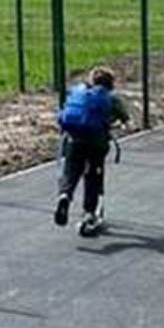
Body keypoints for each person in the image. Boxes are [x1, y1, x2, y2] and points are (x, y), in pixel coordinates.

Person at [55, 66, 130, 235]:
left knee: (71, 171)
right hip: (97, 142)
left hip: (74, 139)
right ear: (111, 83)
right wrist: (116, 124)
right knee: (93, 176)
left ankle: (65, 195)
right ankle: (89, 213)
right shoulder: (110, 98)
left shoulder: (78, 93)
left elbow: (63, 114)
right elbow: (125, 118)